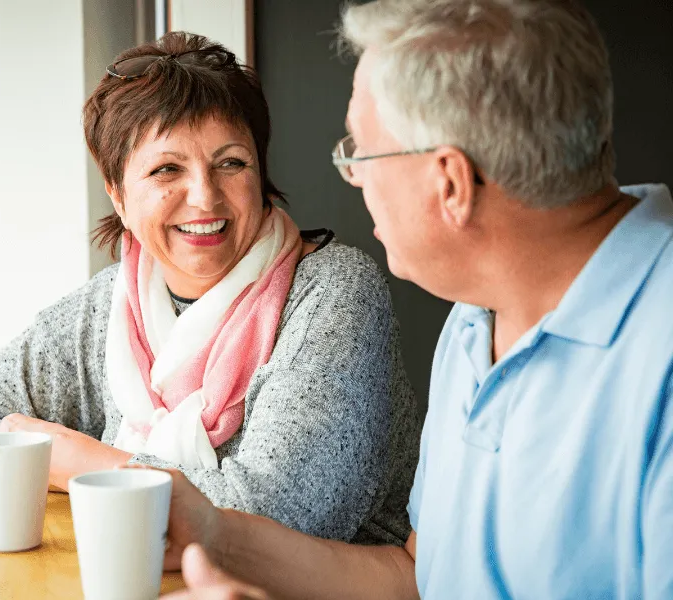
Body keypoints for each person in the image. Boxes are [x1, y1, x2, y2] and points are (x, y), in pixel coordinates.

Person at [153, 1, 673, 598]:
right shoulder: (476, 316)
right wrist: (214, 534)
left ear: (449, 183)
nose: (355, 176)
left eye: (362, 153)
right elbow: (417, 577)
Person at [0, 31, 422, 546]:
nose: (204, 196)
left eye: (231, 163)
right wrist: (62, 459)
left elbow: (278, 520)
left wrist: (82, 463)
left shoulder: (334, 292)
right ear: (118, 195)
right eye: (166, 169)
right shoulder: (108, 308)